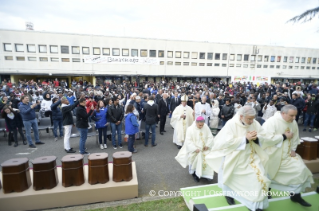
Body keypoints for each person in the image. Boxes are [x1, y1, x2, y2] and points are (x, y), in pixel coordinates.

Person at [206, 106, 270, 211]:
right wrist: (245, 139)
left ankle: (255, 206)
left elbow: (264, 135)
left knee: (259, 178)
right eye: (249, 119)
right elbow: (226, 142)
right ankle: (229, 195)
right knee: (231, 178)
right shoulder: (231, 124)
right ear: (241, 116)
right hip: (235, 157)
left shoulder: (255, 123)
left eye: (253, 118)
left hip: (252, 157)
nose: (251, 121)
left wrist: (257, 138)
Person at [261, 105, 313, 207]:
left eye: (295, 116)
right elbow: (265, 139)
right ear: (283, 113)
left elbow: (295, 137)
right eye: (291, 115)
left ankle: (295, 195)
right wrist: (284, 136)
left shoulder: (292, 122)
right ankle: (266, 194)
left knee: (300, 170)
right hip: (272, 155)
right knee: (269, 175)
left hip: (288, 154)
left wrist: (293, 149)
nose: (294, 118)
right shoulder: (271, 122)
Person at [175, 116, 214, 182]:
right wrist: (195, 149)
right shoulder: (190, 129)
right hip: (195, 150)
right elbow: (188, 141)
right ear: (196, 122)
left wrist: (207, 145)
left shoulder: (206, 127)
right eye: (199, 125)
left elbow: (210, 137)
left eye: (202, 125)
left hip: (204, 149)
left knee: (208, 158)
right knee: (195, 160)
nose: (201, 127)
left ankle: (205, 174)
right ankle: (195, 174)